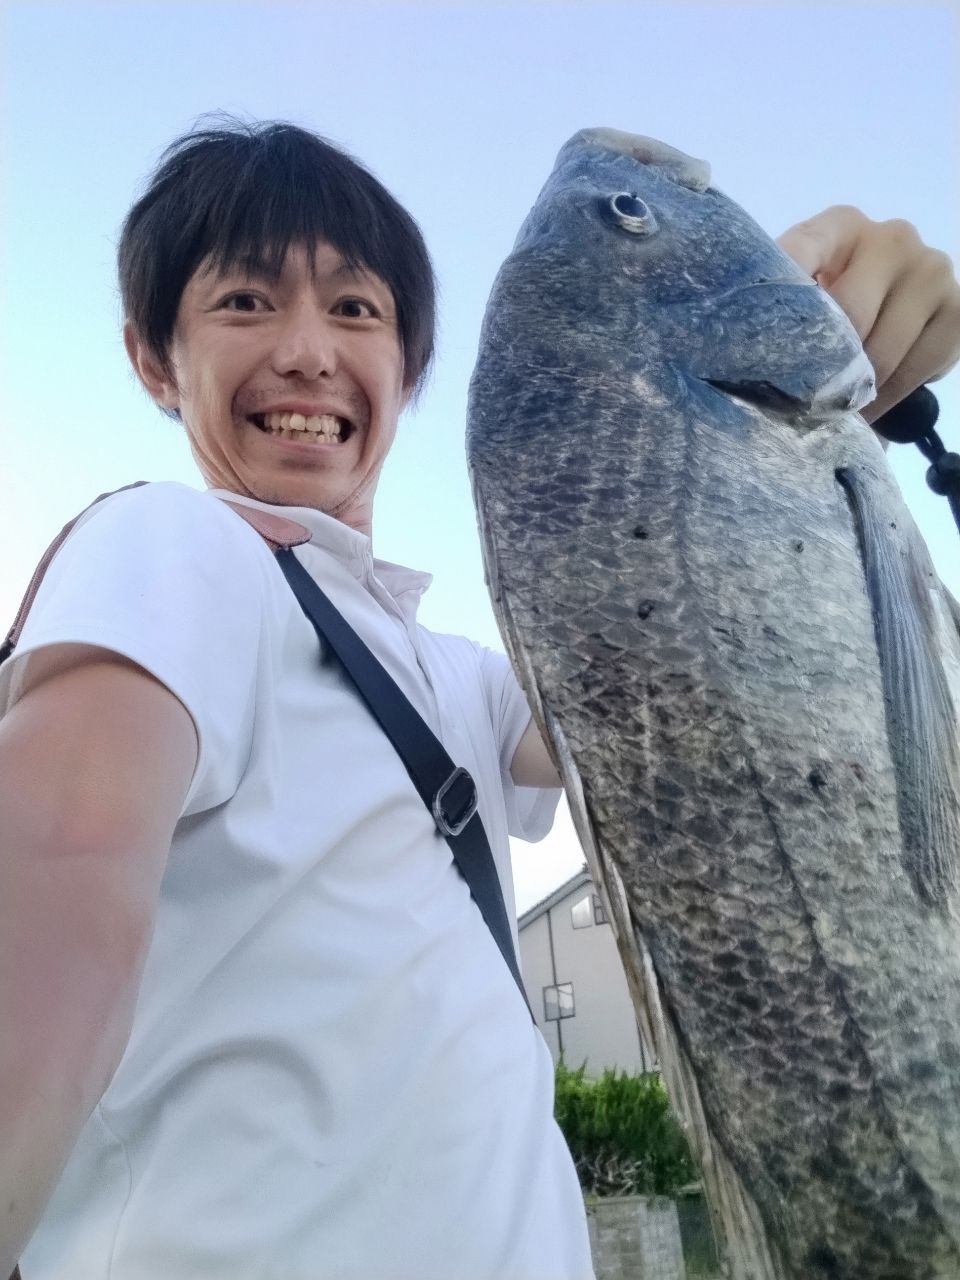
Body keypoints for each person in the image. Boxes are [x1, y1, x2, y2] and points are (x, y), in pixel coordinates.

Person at [0, 118, 957, 1280]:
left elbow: (696, 697)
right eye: (245, 302)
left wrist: (827, 360)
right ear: (155, 360)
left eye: (355, 308)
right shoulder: (169, 543)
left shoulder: (450, 674)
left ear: (408, 368)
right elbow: (57, 868)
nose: (306, 350)